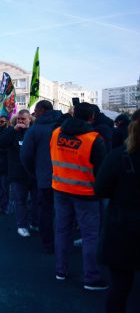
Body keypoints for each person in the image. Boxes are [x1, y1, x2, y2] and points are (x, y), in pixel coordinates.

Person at [50, 102, 107, 290]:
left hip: (60, 189)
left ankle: (61, 271)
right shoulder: (93, 139)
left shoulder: (57, 133)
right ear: (91, 117)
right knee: (90, 235)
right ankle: (91, 278)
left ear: (73, 114)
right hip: (86, 193)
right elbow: (102, 172)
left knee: (62, 231)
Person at [95, 109, 140, 313]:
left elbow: (101, 189)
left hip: (123, 227)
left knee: (120, 287)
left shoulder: (118, 156)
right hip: (124, 225)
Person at [20, 100, 63, 254]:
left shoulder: (35, 129)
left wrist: (35, 172)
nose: (35, 114)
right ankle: (64, 243)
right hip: (68, 178)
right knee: (65, 213)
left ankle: (48, 244)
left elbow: (25, 155)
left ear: (42, 110)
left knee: (45, 211)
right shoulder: (65, 125)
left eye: (36, 111)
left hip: (45, 178)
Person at [0, 110, 38, 237]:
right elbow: (1, 142)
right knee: (20, 201)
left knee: (35, 201)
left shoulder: (34, 132)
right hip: (17, 174)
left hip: (33, 173)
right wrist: (13, 130)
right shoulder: (12, 132)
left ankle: (34, 222)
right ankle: (22, 225)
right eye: (19, 119)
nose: (20, 121)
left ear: (30, 120)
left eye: (23, 119)